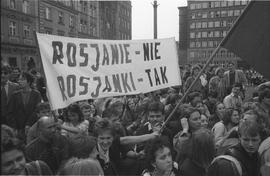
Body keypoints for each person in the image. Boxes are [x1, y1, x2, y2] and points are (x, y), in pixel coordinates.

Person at [93, 118, 160, 175]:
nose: (105, 142)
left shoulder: (114, 143)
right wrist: (151, 136)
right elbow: (125, 140)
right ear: (96, 138)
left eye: (108, 138)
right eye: (102, 138)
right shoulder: (91, 152)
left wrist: (137, 155)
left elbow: (128, 142)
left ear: (113, 137)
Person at [7, 71, 42, 142]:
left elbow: (37, 110)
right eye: (19, 79)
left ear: (29, 82)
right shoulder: (14, 95)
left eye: (22, 79)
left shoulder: (36, 94)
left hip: (33, 127)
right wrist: (14, 128)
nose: (19, 81)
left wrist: (29, 124)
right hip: (18, 129)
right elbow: (10, 112)